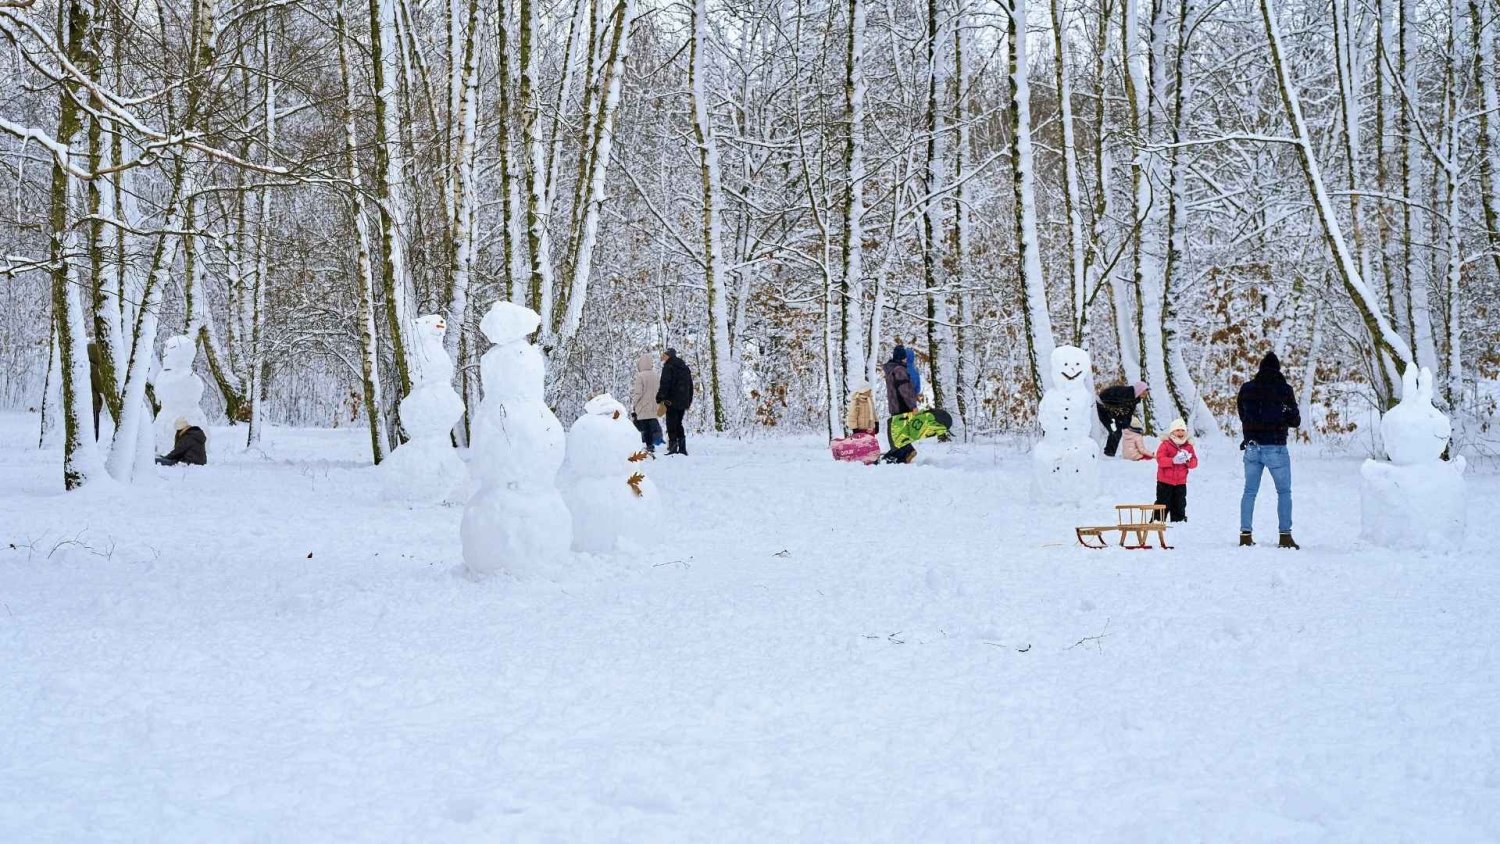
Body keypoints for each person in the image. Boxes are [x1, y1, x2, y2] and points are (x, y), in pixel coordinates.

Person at [1238, 351, 1301, 548]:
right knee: (1283, 492)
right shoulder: (1284, 390)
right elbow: (1295, 421)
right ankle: (1285, 536)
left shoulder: (1246, 389)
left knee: (1249, 491)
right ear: (1278, 369)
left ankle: (1245, 535)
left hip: (1252, 447)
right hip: (1276, 447)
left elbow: (1242, 415)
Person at [1153, 418, 1198, 522]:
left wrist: (1187, 460)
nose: (1180, 433)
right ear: (1172, 432)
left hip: (1180, 483)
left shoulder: (1188, 446)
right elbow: (1160, 459)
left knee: (1179, 503)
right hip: (1164, 482)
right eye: (1178, 430)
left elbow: (1194, 462)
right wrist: (1173, 460)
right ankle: (1157, 521)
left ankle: (1179, 521)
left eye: (1182, 430)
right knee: (1163, 503)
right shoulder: (1165, 444)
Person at [655, 347, 694, 456]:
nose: (663, 357)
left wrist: (660, 397)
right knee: (679, 424)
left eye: (665, 355)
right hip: (683, 401)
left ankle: (673, 447)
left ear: (669, 356)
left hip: (671, 401)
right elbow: (690, 386)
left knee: (671, 424)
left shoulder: (668, 367)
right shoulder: (685, 368)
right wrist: (688, 400)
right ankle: (682, 448)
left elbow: (665, 384)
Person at [1097, 381, 1149, 457]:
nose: (1145, 395)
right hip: (1102, 407)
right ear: (1139, 390)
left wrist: (1125, 424)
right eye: (1144, 392)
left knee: (1117, 431)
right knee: (1115, 431)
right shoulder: (1125, 393)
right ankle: (1108, 454)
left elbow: (1128, 414)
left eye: (1146, 393)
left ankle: (1109, 454)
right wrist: (1119, 420)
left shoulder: (1134, 399)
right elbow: (1116, 407)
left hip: (1110, 411)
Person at [630, 353, 664, 454]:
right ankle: (653, 443)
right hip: (654, 405)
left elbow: (638, 393)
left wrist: (635, 404)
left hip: (643, 405)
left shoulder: (640, 376)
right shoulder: (656, 375)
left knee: (645, 427)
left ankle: (649, 446)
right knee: (652, 424)